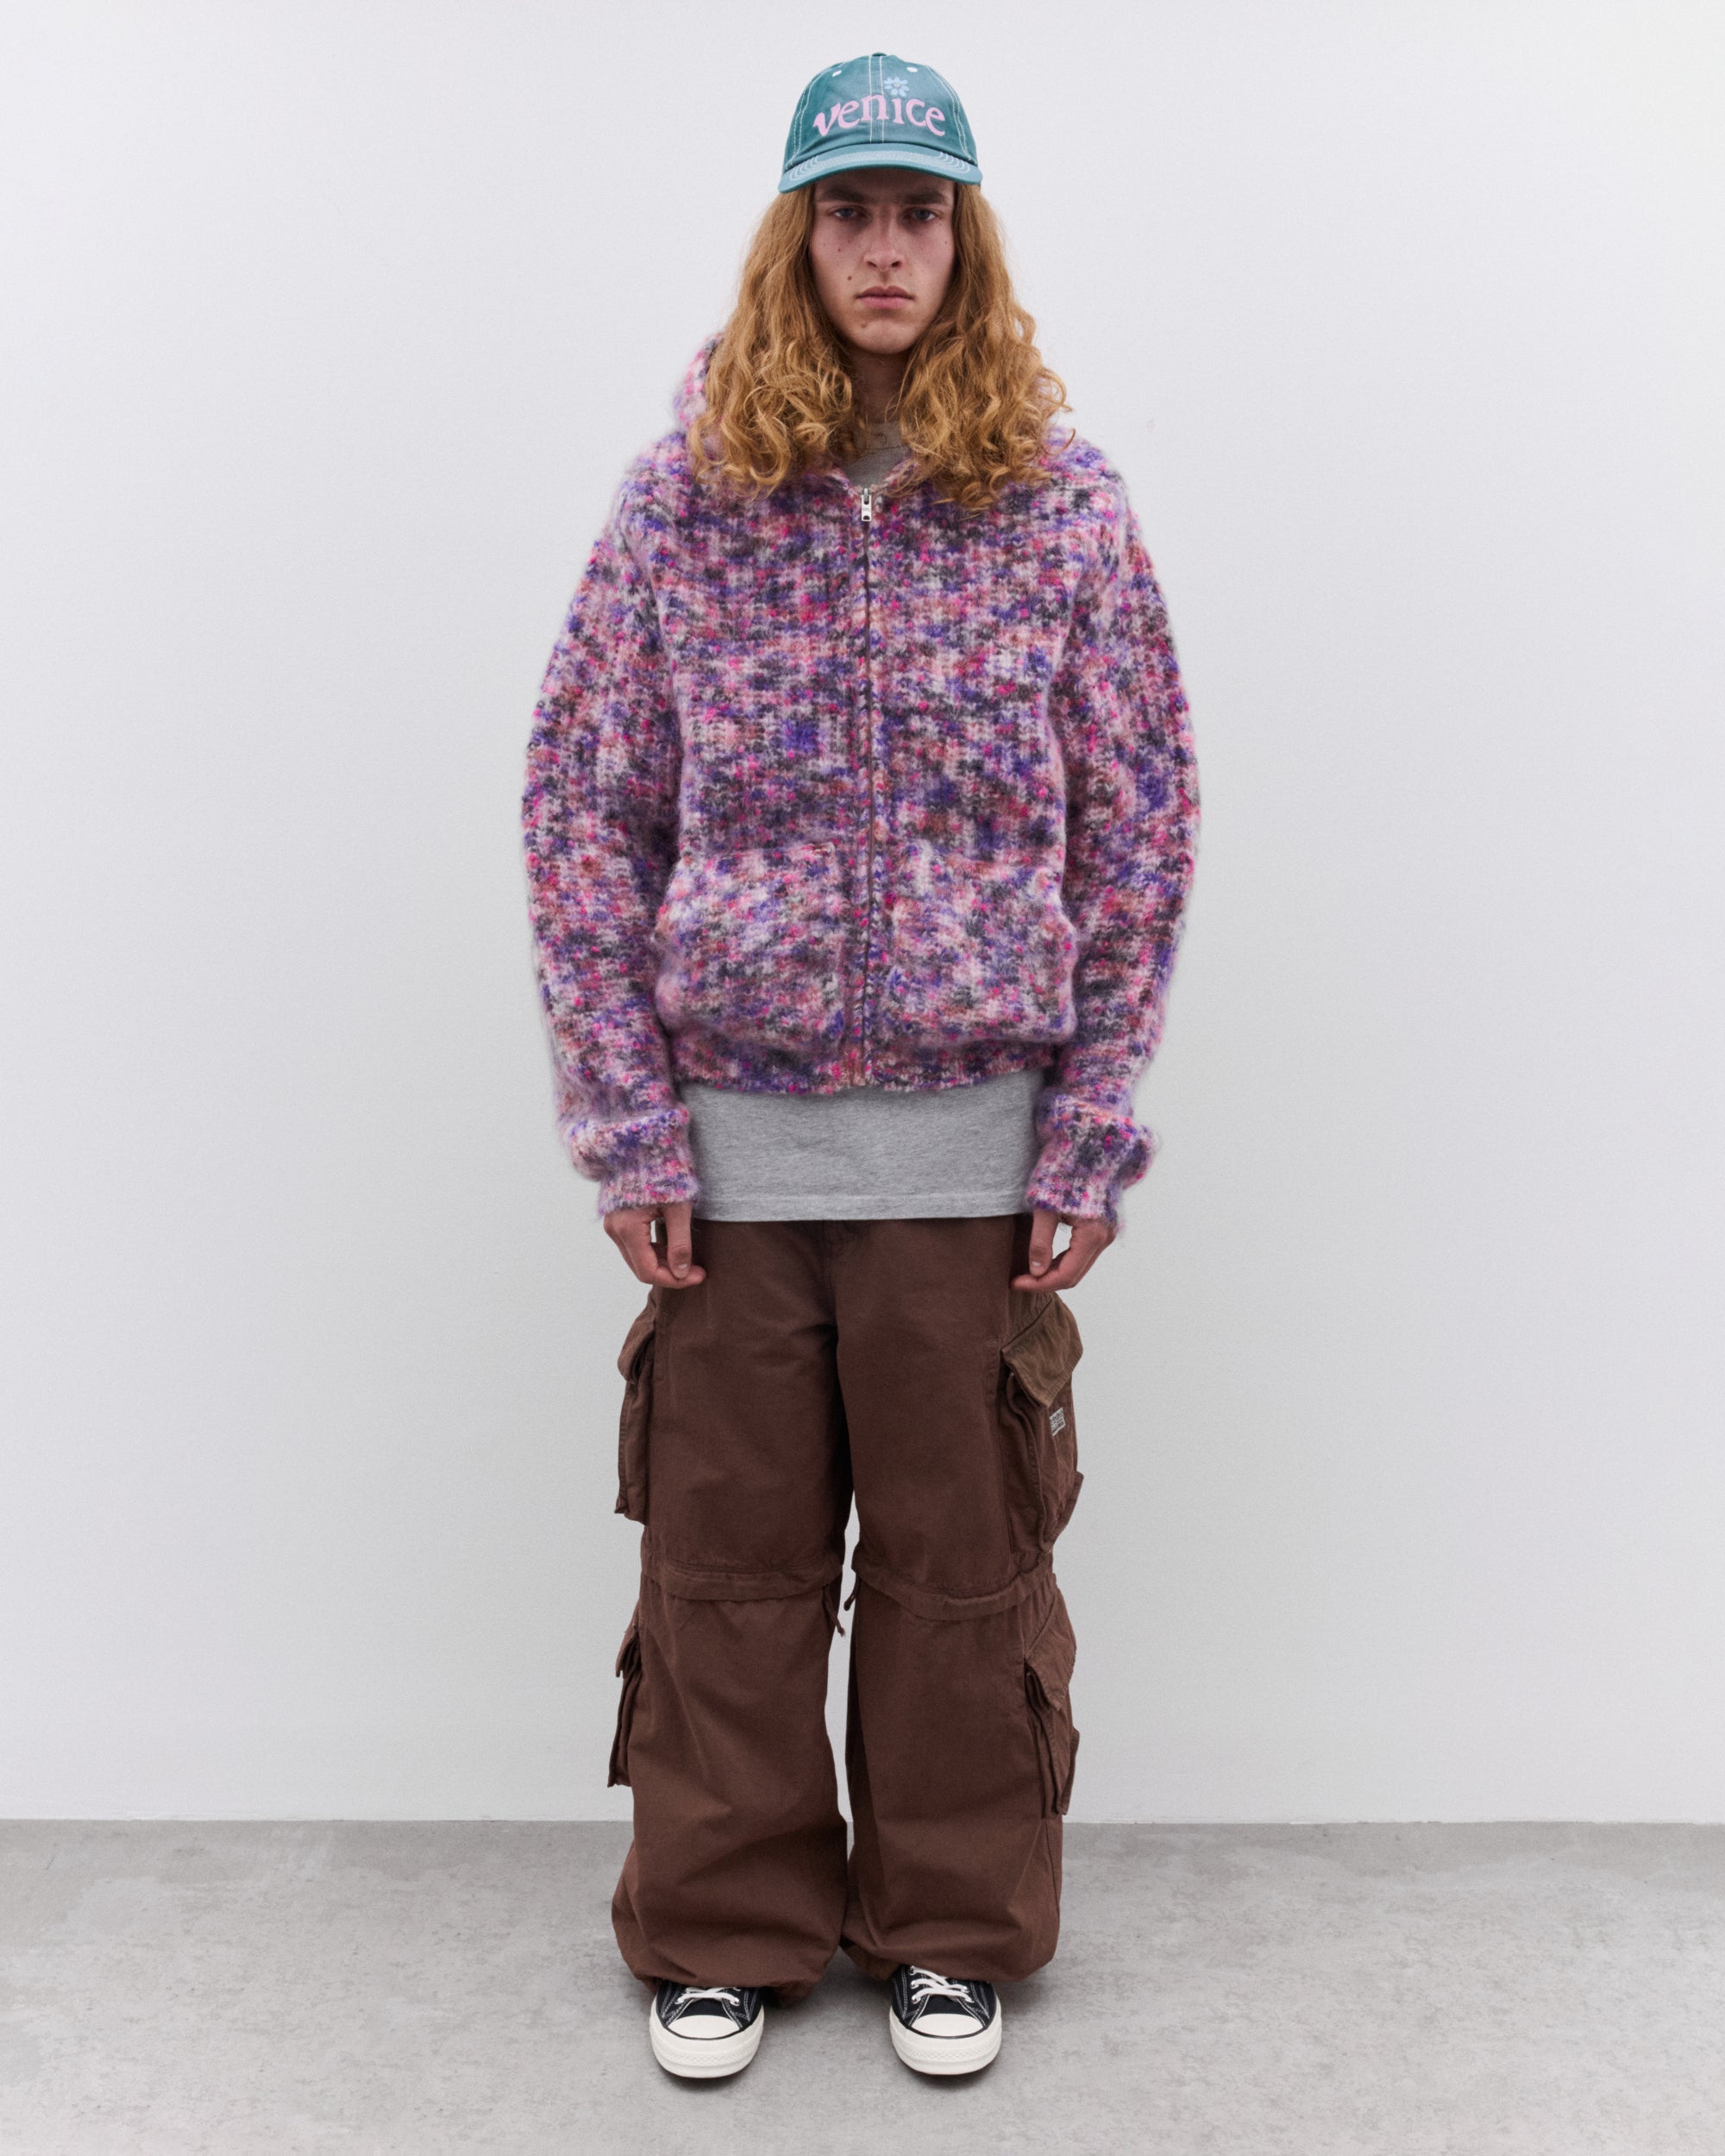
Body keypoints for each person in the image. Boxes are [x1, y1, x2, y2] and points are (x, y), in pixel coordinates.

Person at [522, 51, 1198, 2080]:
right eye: (848, 213)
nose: (883, 249)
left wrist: (1088, 1123)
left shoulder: (1058, 507)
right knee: (726, 1568)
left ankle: (946, 1922)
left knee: (957, 1572)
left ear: (961, 241)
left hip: (968, 1164)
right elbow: (582, 810)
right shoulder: (685, 500)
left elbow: (1141, 826)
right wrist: (627, 1115)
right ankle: (725, 1922)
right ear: (795, 239)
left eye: (917, 213)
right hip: (728, 1168)